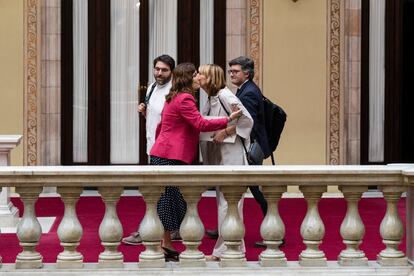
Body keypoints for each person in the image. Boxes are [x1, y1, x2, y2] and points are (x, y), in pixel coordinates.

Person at [149, 62, 242, 261]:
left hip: (164, 153)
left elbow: (161, 127)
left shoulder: (173, 96)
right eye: (195, 75)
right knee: (169, 202)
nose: (198, 77)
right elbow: (200, 123)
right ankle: (162, 246)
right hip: (170, 156)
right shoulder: (185, 98)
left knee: (169, 201)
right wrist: (228, 120)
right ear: (187, 78)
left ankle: (165, 245)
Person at [122, 54, 181, 245]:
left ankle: (153, 231)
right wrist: (144, 110)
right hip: (153, 145)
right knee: (166, 192)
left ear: (171, 71)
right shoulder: (152, 87)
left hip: (167, 148)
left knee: (162, 193)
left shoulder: (175, 91)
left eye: (164, 70)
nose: (159, 73)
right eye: (157, 69)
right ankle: (172, 229)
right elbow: (153, 117)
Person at [198, 64, 253, 261]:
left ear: (209, 77)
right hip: (222, 155)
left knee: (229, 203)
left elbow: (247, 120)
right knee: (225, 203)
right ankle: (230, 249)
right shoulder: (212, 96)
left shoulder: (225, 96)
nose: (196, 77)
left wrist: (226, 131)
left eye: (200, 74)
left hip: (232, 155)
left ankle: (229, 250)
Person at [229, 56, 271, 247]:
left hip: (251, 147)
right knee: (245, 189)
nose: (231, 74)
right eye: (230, 71)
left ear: (247, 73)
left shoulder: (249, 93)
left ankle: (274, 231)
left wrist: (231, 132)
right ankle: (226, 227)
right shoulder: (246, 89)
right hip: (252, 146)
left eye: (235, 71)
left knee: (256, 190)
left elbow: (250, 123)